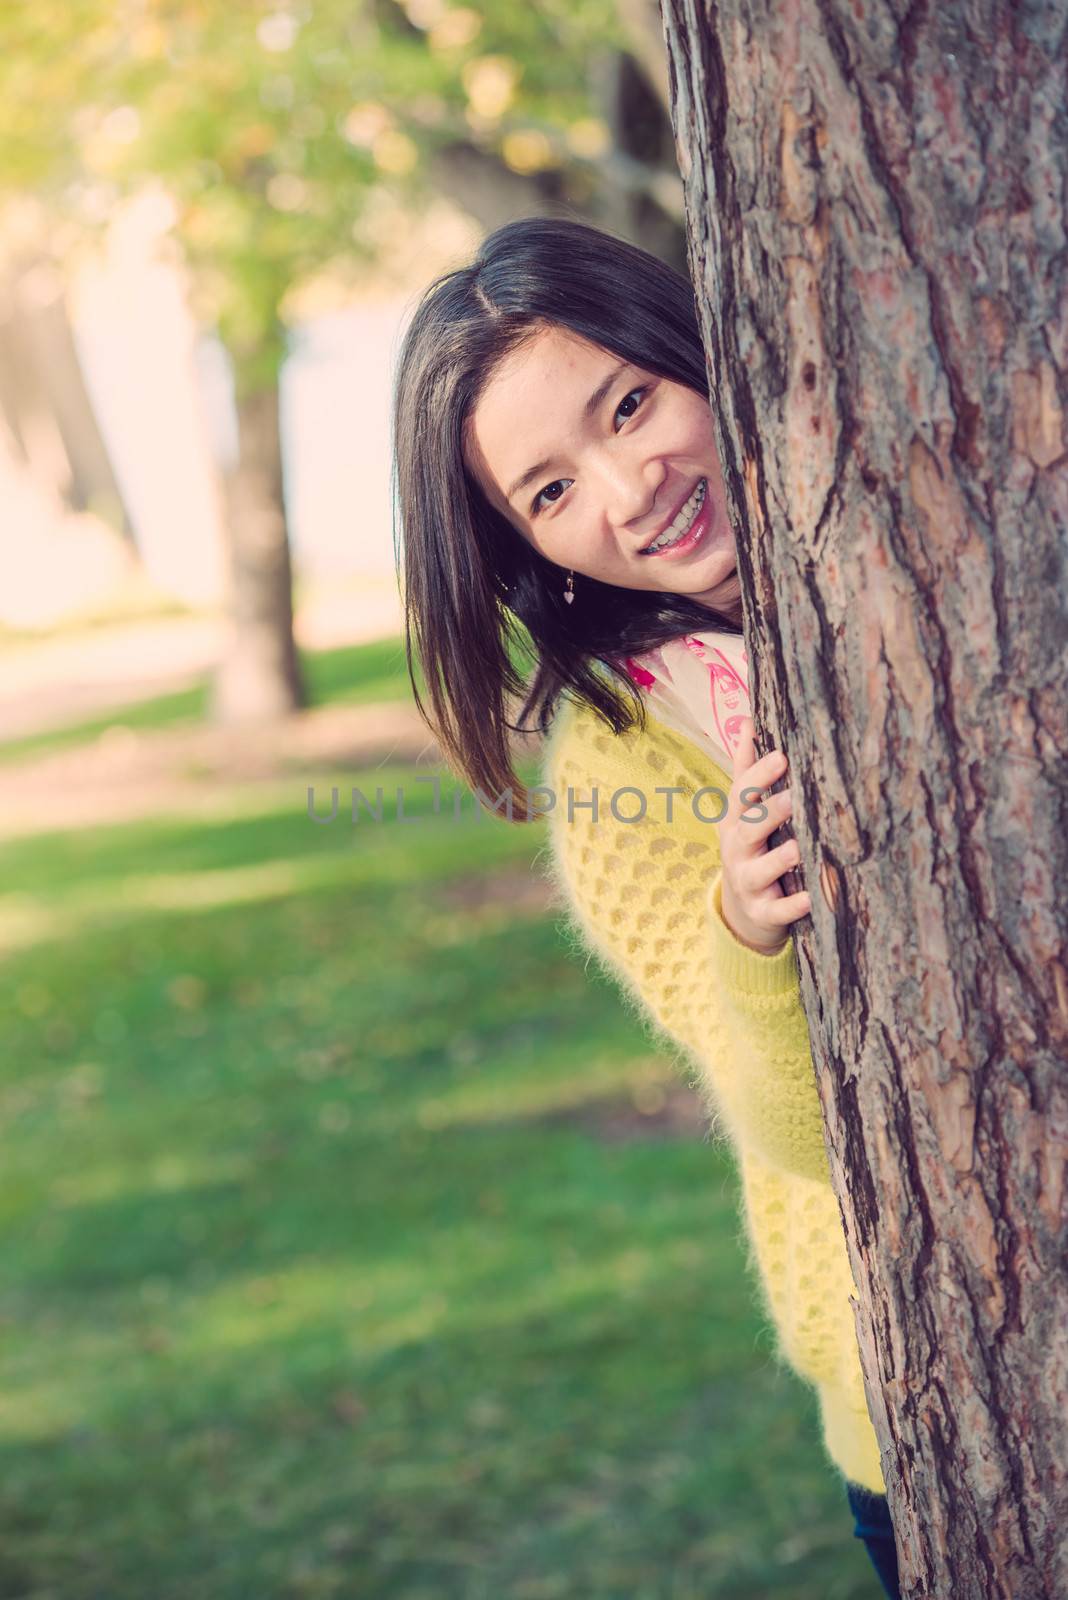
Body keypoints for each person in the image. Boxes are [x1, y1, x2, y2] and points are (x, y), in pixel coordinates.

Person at [391, 214, 902, 1599]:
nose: (631, 485)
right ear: (525, 552)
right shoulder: (621, 751)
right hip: (927, 1397)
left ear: (698, 347)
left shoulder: (927, 530)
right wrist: (750, 930)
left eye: (629, 402)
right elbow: (792, 1128)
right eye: (551, 493)